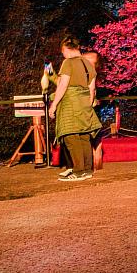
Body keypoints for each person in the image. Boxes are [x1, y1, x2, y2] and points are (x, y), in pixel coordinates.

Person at [48, 35, 102, 181]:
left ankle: (78, 171)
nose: (63, 54)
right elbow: (92, 88)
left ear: (67, 49)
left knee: (71, 136)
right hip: (84, 102)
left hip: (70, 102)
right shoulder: (87, 64)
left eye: (63, 51)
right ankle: (87, 170)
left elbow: (62, 85)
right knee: (84, 136)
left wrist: (53, 106)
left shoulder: (68, 63)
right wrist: (88, 105)